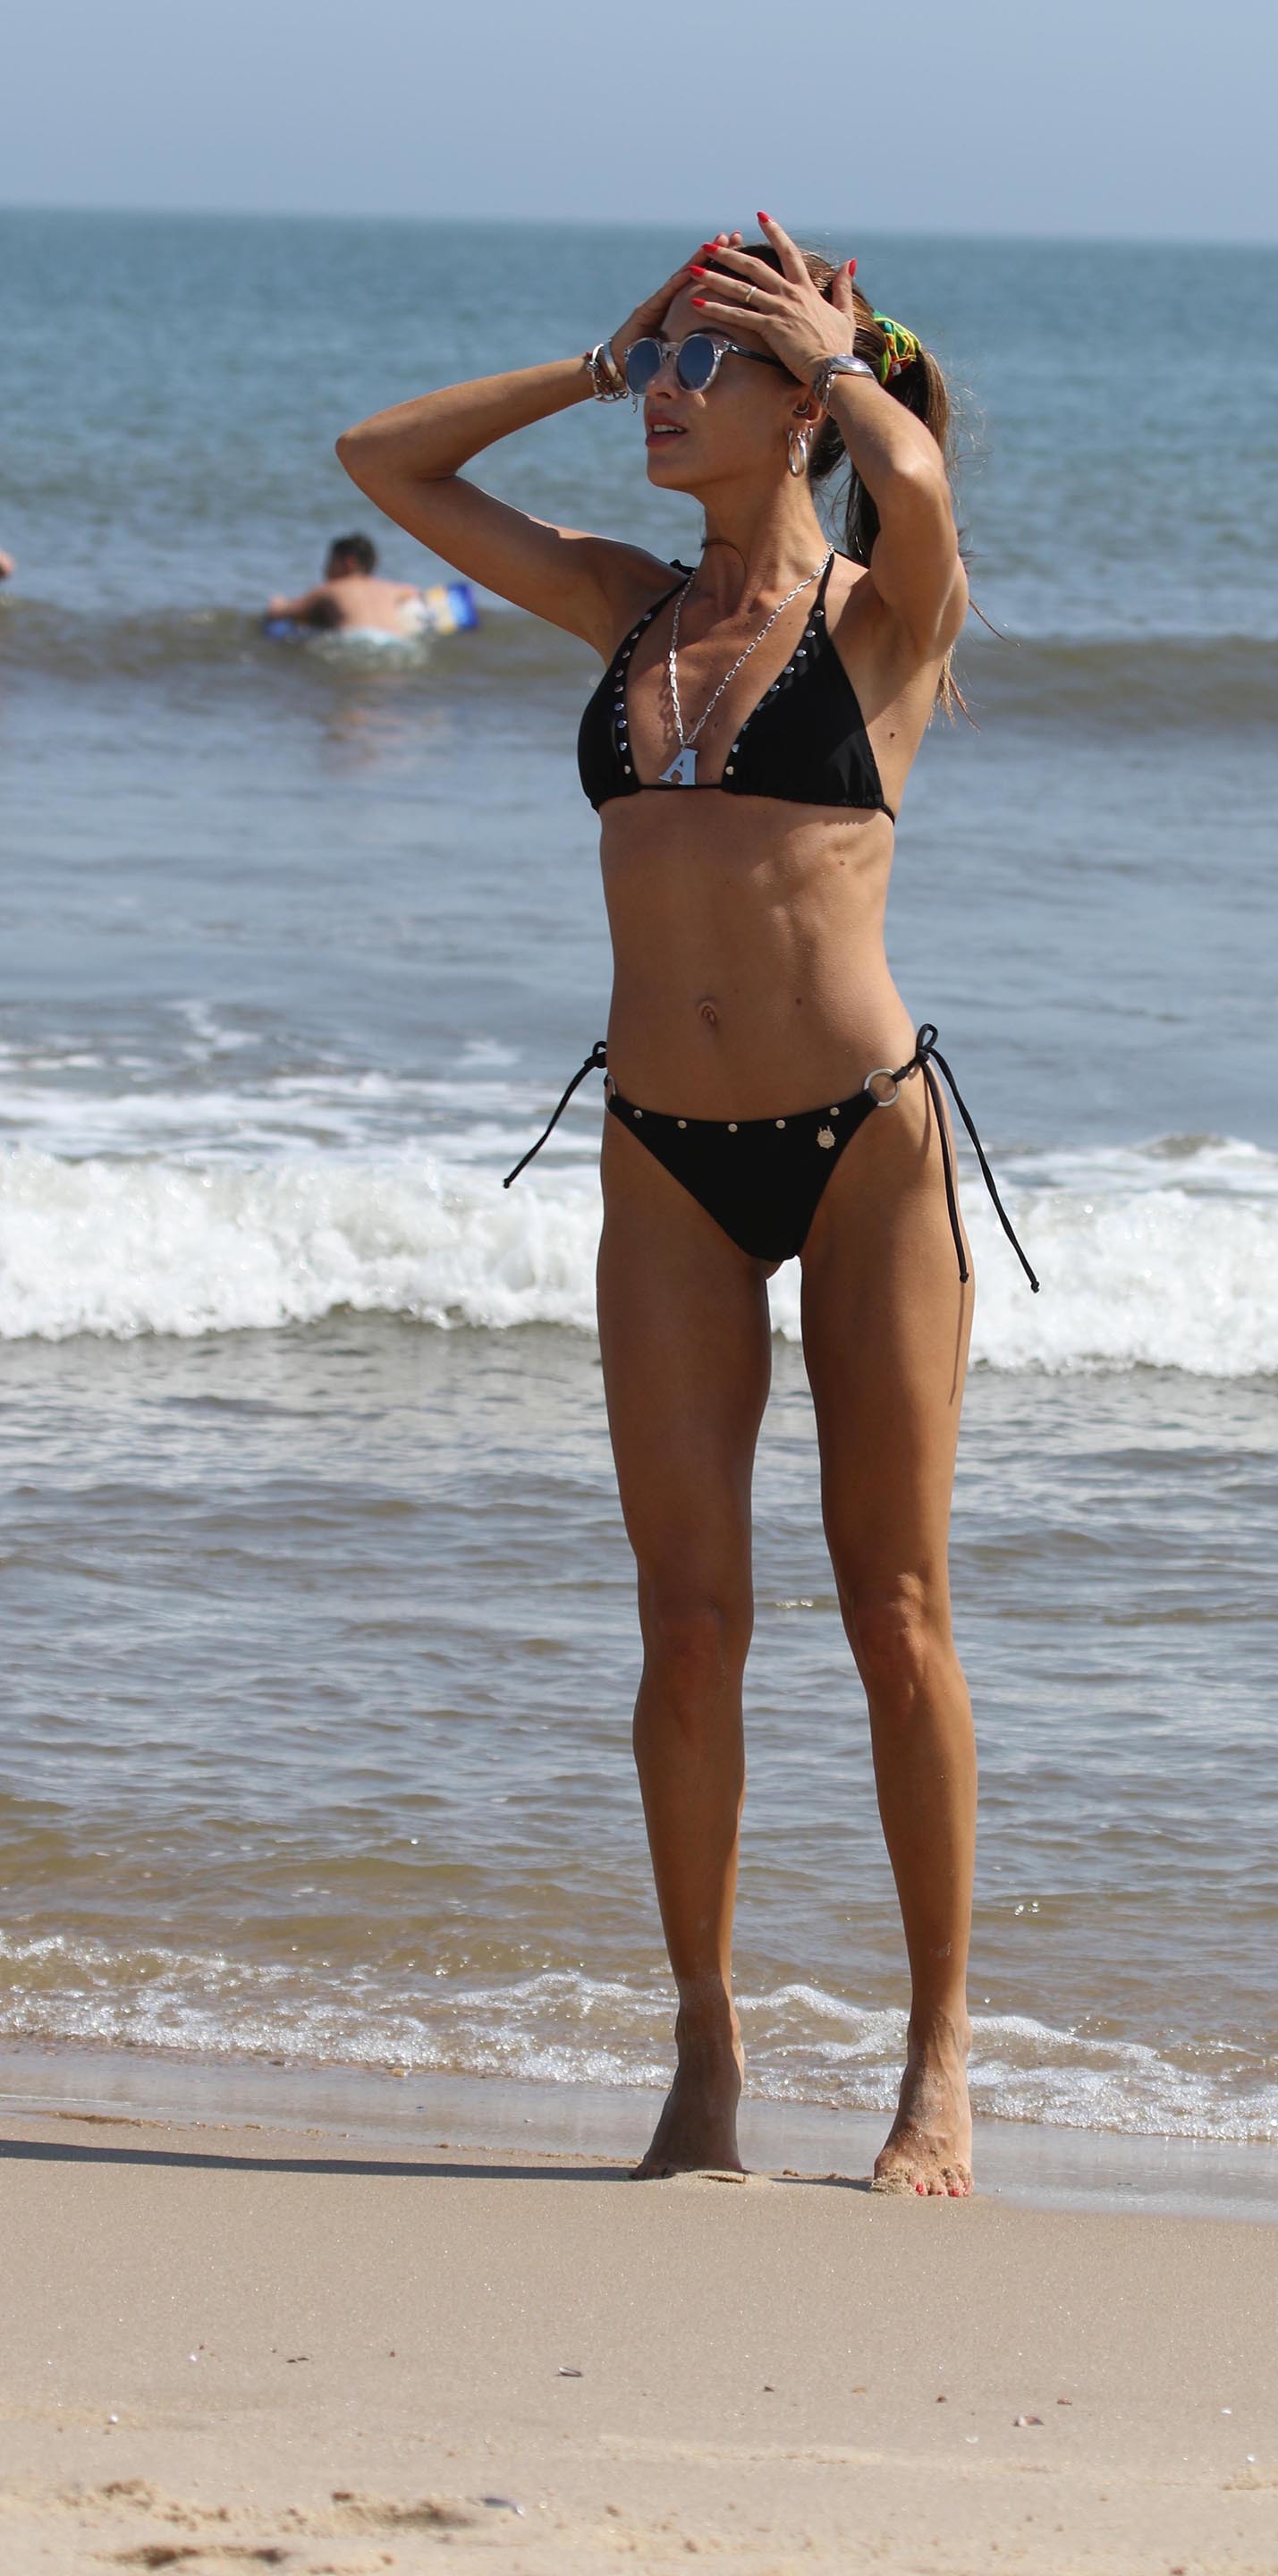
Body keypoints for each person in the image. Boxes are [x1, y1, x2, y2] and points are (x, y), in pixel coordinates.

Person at [336, 215, 1037, 2198]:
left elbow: (920, 491)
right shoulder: (623, 605)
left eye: (695, 370)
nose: (659, 399)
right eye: (655, 367)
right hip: (661, 1156)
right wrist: (596, 353)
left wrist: (843, 356)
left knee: (896, 1612)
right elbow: (385, 465)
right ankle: (706, 2050)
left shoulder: (886, 619)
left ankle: (936, 2065)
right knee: (688, 1621)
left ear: (799, 407)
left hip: (865, 1149)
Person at [264, 532, 425, 637]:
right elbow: (417, 593)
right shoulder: (392, 588)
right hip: (396, 643)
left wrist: (276, 603)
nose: (325, 569)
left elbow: (281, 613)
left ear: (349, 562)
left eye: (330, 562)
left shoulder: (330, 589)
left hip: (355, 642)